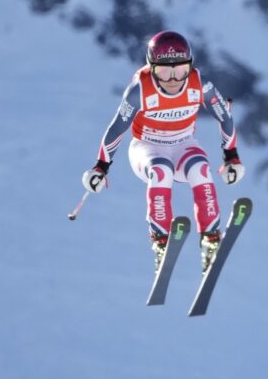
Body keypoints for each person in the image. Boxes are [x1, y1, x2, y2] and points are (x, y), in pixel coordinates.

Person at [81, 31, 244, 272]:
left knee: (200, 169)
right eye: (164, 71)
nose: (172, 79)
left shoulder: (200, 84)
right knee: (161, 171)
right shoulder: (140, 91)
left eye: (180, 71)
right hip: (146, 147)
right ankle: (160, 240)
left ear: (190, 66)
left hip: (183, 144)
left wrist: (231, 156)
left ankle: (210, 238)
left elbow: (225, 117)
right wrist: (101, 167)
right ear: (151, 67)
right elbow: (117, 128)